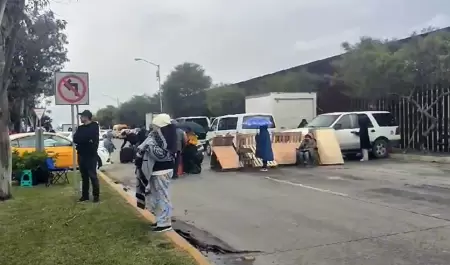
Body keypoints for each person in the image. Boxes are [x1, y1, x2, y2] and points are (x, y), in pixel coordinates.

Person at [135, 113, 177, 232]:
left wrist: (148, 146)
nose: (152, 128)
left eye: (155, 125)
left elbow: (161, 155)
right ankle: (160, 220)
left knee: (162, 197)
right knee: (156, 197)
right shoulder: (157, 136)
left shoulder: (165, 137)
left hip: (162, 170)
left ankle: (165, 223)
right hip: (156, 171)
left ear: (160, 126)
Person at [73, 110, 100, 202]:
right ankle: (85, 195)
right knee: (84, 176)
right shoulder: (80, 128)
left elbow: (91, 137)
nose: (80, 118)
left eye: (82, 116)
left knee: (92, 175)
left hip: (91, 155)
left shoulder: (94, 126)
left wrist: (85, 139)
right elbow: (75, 138)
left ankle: (96, 196)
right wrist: (86, 140)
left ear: (86, 117)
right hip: (81, 154)